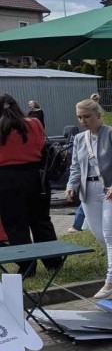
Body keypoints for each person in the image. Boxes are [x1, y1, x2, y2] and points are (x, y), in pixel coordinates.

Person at [64, 98, 112, 298]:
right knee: (98, 234)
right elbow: (76, 166)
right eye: (80, 117)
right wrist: (71, 185)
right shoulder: (79, 139)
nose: (83, 121)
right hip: (89, 190)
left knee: (111, 234)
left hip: (111, 189)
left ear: (98, 115)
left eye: (87, 116)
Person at [0, 94, 59, 273]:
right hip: (36, 177)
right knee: (41, 220)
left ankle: (27, 266)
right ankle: (53, 262)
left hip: (5, 179)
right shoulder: (34, 123)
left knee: (16, 225)